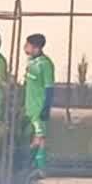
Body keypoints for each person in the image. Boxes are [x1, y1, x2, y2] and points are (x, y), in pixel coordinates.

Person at [22, 34, 56, 174]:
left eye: (28, 44)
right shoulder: (30, 62)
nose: (25, 47)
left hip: (38, 108)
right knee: (31, 137)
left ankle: (40, 168)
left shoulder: (45, 64)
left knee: (39, 138)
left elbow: (49, 87)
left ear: (36, 47)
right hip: (28, 108)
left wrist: (46, 107)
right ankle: (31, 167)